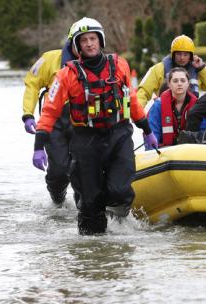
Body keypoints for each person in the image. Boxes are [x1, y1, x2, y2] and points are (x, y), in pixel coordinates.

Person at [31, 17, 158, 235]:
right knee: (89, 205)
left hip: (118, 136)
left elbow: (132, 100)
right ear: (77, 46)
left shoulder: (120, 66)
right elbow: (50, 110)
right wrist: (38, 145)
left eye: (93, 39)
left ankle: (120, 223)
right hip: (85, 139)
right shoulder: (66, 75)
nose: (89, 44)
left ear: (101, 41)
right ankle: (93, 251)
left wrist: (147, 129)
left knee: (119, 190)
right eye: (84, 40)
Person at [21, 21, 77, 206]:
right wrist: (28, 115)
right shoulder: (49, 59)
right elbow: (32, 83)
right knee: (59, 171)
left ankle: (84, 203)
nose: (87, 44)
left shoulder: (97, 64)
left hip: (83, 121)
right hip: (56, 122)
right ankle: (57, 196)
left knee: (83, 168)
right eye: (81, 40)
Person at [137, 35, 206, 108]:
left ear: (191, 56)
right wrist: (138, 114)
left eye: (186, 54)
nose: (182, 58)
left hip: (191, 114)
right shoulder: (158, 69)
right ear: (173, 54)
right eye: (179, 54)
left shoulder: (198, 70)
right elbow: (143, 92)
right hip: (165, 113)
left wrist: (202, 69)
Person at [147, 67, 201, 147]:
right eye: (175, 81)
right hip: (165, 152)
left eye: (183, 80)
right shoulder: (158, 106)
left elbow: (203, 132)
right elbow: (152, 133)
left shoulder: (198, 106)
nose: (179, 83)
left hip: (191, 151)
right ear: (169, 84)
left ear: (188, 83)